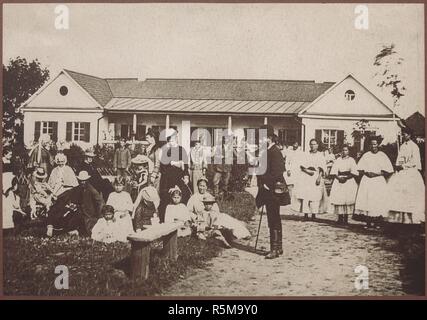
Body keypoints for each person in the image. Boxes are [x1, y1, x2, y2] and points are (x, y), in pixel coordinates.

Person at [255, 125, 286, 259]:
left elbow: (278, 172)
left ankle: (274, 249)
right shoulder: (268, 151)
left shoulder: (274, 151)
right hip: (269, 190)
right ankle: (278, 247)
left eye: (262, 137)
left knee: (273, 218)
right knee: (274, 217)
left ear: (269, 138)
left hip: (273, 190)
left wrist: (267, 184)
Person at [46, 171, 104, 237]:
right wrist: (58, 197)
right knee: (65, 214)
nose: (83, 182)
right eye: (81, 180)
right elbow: (69, 193)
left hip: (89, 214)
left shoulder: (92, 190)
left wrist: (100, 217)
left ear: (87, 180)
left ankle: (76, 231)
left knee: (88, 230)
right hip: (79, 211)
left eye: (84, 180)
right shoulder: (78, 188)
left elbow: (100, 203)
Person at [354, 136, 394, 228]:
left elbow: (388, 170)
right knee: (367, 200)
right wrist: (367, 173)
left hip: (378, 180)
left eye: (375, 144)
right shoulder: (366, 155)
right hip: (367, 180)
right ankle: (368, 222)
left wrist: (376, 174)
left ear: (378, 145)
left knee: (377, 200)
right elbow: (360, 168)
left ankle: (377, 222)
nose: (373, 146)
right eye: (371, 144)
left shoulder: (382, 155)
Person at [387, 128, 425, 224]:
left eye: (404, 134)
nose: (403, 136)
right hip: (402, 172)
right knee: (399, 195)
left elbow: (414, 161)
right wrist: (398, 165)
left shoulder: (414, 146)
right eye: (402, 134)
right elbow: (399, 159)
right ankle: (401, 219)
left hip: (411, 172)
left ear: (409, 135)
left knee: (409, 195)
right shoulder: (403, 146)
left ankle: (411, 220)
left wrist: (403, 166)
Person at [158, 128, 191, 222]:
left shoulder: (181, 149)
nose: (173, 140)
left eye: (175, 137)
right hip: (167, 179)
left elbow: (185, 165)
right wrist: (174, 163)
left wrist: (186, 176)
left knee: (185, 195)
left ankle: (183, 219)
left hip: (180, 178)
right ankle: (164, 220)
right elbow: (163, 168)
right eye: (171, 139)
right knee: (165, 198)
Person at [296, 139, 326, 220]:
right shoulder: (306, 155)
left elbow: (322, 168)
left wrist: (319, 178)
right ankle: (305, 214)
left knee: (315, 195)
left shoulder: (320, 155)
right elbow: (301, 166)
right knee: (306, 195)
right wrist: (306, 171)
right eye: (311, 144)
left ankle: (313, 215)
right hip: (306, 176)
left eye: (314, 144)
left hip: (316, 176)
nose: (313, 146)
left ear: (317, 145)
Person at [329, 145, 359, 224]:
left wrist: (346, 178)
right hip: (339, 179)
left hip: (348, 179)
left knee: (346, 199)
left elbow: (354, 172)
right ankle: (340, 217)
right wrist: (338, 178)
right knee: (340, 198)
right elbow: (334, 171)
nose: (344, 152)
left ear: (348, 151)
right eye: (342, 150)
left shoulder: (351, 160)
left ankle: (345, 218)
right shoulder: (338, 160)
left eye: (346, 150)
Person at [3, 172, 26, 236]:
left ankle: (15, 232)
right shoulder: (10, 194)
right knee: (18, 215)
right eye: (15, 184)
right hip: (9, 213)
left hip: (11, 212)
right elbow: (15, 206)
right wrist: (21, 212)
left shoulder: (11, 194)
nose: (17, 186)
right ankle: (14, 233)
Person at [284, 141, 304, 211]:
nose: (295, 145)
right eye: (294, 144)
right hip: (291, 170)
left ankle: (296, 200)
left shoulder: (301, 152)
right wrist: (288, 170)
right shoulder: (289, 152)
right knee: (290, 185)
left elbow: (302, 162)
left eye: (296, 144)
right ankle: (290, 199)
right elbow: (287, 162)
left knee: (297, 185)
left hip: (298, 170)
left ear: (298, 145)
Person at [212, 134, 233, 200]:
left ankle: (224, 196)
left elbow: (235, 157)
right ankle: (216, 195)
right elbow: (214, 156)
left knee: (225, 182)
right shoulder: (218, 147)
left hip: (227, 167)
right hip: (219, 168)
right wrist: (220, 157)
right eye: (225, 139)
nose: (226, 141)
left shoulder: (230, 148)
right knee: (215, 181)